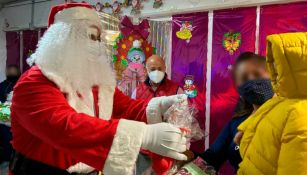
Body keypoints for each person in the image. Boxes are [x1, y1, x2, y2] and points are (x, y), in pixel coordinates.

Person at [9, 3, 188, 175]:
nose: (97, 45)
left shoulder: (96, 82)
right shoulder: (35, 81)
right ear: (64, 39)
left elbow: (126, 108)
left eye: (99, 39)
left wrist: (160, 105)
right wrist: (144, 135)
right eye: (91, 36)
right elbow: (65, 126)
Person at [237, 33, 307, 175]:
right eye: (273, 62)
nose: (274, 67)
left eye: (280, 62)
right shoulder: (279, 102)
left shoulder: (298, 113)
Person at [198, 52, 274, 173]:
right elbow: (211, 158)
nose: (252, 80)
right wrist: (183, 154)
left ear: (272, 74)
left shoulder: (290, 116)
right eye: (244, 78)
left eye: (256, 74)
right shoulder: (236, 123)